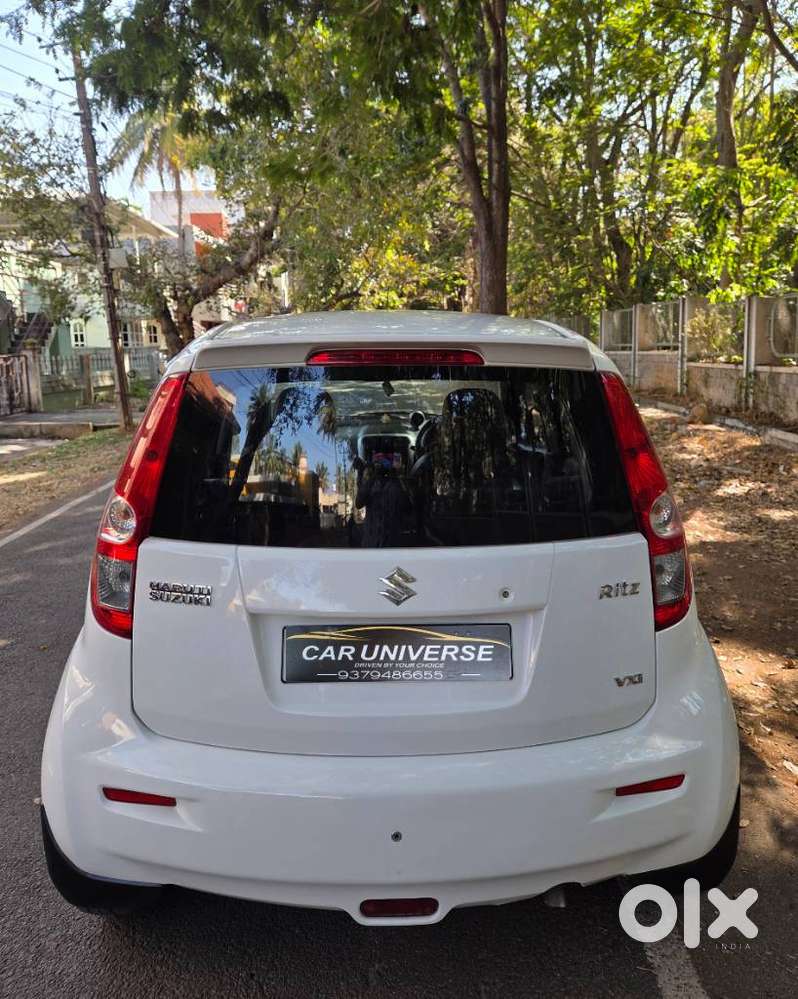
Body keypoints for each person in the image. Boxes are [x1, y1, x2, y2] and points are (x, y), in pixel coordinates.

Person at [355, 454, 412, 547]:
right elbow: (358, 503)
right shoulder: (370, 485)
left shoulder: (395, 486)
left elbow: (408, 509)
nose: (381, 466)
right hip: (371, 544)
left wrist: (396, 477)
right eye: (377, 463)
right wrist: (374, 477)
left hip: (391, 545)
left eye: (384, 463)